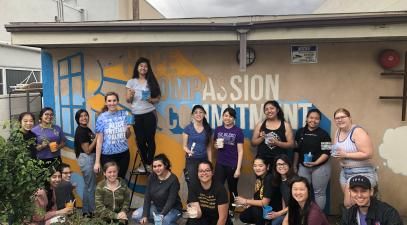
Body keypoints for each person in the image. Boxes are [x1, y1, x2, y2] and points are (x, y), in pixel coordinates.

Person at [332, 108, 377, 208]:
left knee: (349, 203)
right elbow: (338, 150)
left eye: (343, 117)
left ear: (350, 118)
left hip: (362, 171)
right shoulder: (337, 132)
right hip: (345, 172)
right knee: (355, 205)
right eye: (337, 118)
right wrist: (336, 154)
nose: (340, 120)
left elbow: (369, 153)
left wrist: (346, 155)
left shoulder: (357, 131)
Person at [126, 57, 161, 172]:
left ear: (148, 68)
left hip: (149, 113)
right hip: (136, 115)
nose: (143, 68)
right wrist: (130, 95)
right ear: (137, 67)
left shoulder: (151, 81)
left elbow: (158, 98)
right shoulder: (131, 82)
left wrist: (151, 100)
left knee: (150, 139)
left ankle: (148, 164)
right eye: (141, 66)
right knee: (140, 141)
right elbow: (128, 100)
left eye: (145, 66)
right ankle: (146, 163)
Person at [293, 108, 332, 209]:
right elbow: (296, 150)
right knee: (301, 191)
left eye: (316, 118)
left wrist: (315, 163)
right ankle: (303, 215)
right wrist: (294, 165)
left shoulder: (324, 134)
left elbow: (327, 152)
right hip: (303, 167)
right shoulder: (300, 132)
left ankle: (318, 217)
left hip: (320, 167)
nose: (313, 120)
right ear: (306, 118)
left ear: (319, 120)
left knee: (319, 193)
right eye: (311, 117)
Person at [132, 154, 182, 225]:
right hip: (157, 207)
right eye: (154, 166)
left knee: (164, 221)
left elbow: (171, 201)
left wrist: (161, 216)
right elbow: (147, 197)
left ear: (165, 165)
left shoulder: (173, 179)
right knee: (136, 216)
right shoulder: (152, 176)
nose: (157, 168)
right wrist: (144, 215)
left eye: (159, 165)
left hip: (173, 209)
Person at [93, 92, 131, 179]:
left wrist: (128, 129)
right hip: (107, 156)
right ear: (106, 103)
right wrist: (97, 162)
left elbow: (128, 136)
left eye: (114, 100)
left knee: (120, 179)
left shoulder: (124, 114)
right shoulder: (101, 118)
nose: (112, 103)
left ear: (117, 101)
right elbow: (99, 141)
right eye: (109, 101)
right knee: (110, 180)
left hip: (123, 154)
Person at [213, 107, 244, 215]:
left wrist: (238, 169)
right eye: (226, 115)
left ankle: (232, 210)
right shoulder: (218, 129)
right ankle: (218, 209)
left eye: (230, 116)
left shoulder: (238, 131)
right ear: (223, 117)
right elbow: (215, 145)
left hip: (233, 165)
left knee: (233, 189)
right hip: (220, 164)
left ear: (234, 118)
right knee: (218, 187)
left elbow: (240, 151)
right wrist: (216, 146)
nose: (228, 118)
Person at [235, 156, 283, 225]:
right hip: (262, 208)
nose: (257, 168)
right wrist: (248, 203)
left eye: (260, 166)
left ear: (268, 166)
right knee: (243, 216)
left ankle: (267, 222)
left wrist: (245, 201)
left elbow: (265, 203)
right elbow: (257, 196)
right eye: (255, 166)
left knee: (255, 210)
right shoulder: (259, 177)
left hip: (271, 210)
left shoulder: (269, 179)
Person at [186, 160, 232, 225]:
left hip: (218, 219)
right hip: (203, 218)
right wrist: (194, 212)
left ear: (212, 173)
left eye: (207, 170)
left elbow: (223, 218)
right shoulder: (193, 187)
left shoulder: (220, 188)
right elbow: (199, 214)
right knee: (192, 222)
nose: (204, 173)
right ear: (197, 173)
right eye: (201, 171)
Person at [251, 100, 295, 167]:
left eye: (272, 108)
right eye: (266, 109)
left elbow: (291, 144)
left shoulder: (285, 125)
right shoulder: (260, 125)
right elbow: (253, 143)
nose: (269, 111)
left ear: (277, 110)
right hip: (263, 162)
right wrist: (262, 138)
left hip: (279, 162)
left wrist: (277, 143)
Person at [182, 105, 213, 189]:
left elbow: (209, 148)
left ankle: (202, 201)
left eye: (201, 112)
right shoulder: (188, 128)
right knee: (192, 183)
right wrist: (189, 151)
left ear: (204, 114)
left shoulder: (208, 129)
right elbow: (184, 146)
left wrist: (210, 162)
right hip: (191, 160)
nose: (198, 114)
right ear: (192, 115)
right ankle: (192, 201)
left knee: (204, 184)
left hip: (204, 160)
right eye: (196, 112)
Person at [74, 109, 97, 216]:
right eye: (81, 116)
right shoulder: (81, 131)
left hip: (87, 159)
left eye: (86, 115)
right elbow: (87, 150)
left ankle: (85, 211)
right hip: (87, 158)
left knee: (88, 186)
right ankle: (93, 211)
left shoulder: (85, 129)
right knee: (91, 186)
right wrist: (97, 138)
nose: (84, 118)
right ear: (77, 119)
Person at [270, 155, 298, 225]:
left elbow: (296, 204)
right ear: (275, 167)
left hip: (297, 211)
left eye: (284, 164)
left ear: (289, 165)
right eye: (279, 164)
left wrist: (279, 213)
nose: (281, 166)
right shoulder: (280, 180)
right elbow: (283, 197)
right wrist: (283, 213)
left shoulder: (295, 180)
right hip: (288, 211)